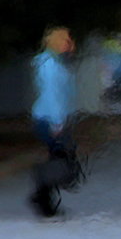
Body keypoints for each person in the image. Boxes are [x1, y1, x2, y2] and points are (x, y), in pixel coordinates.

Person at [28, 26, 81, 217]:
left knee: (60, 159)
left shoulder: (58, 63)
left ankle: (43, 199)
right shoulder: (49, 65)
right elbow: (53, 95)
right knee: (63, 161)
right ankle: (41, 194)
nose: (69, 43)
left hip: (56, 118)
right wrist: (57, 122)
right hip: (49, 119)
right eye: (65, 40)